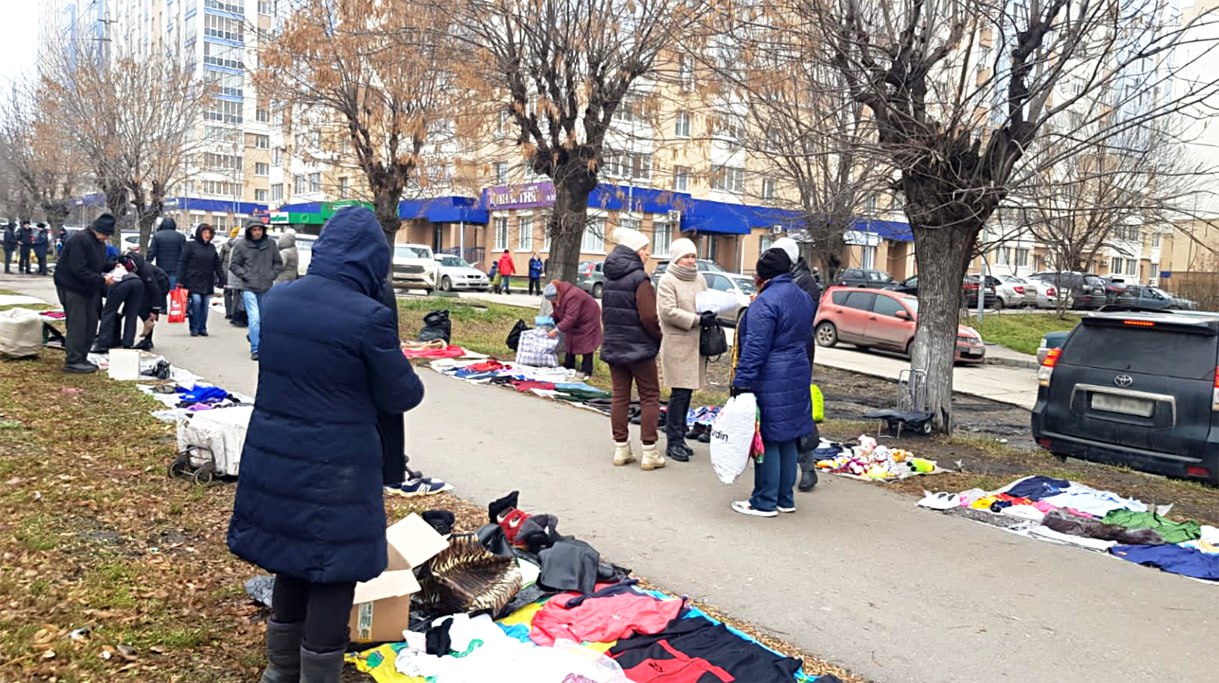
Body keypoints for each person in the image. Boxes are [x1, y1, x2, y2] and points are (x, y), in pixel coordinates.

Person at [227, 206, 425, 683]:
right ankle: (319, 675)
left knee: (291, 562)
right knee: (334, 573)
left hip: (275, 454)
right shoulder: (368, 317)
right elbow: (404, 394)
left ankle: (280, 671)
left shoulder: (278, 301)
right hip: (337, 467)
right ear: (370, 260)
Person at [729, 246, 816, 517]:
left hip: (770, 376)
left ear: (761, 275)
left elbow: (755, 348)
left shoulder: (765, 303)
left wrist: (741, 382)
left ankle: (764, 501)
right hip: (797, 370)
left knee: (766, 438)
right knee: (788, 437)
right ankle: (784, 498)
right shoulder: (802, 297)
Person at [600, 227, 664, 471]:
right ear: (635, 252)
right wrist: (657, 338)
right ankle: (650, 452)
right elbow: (649, 316)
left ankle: (621, 449)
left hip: (614, 344)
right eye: (645, 249)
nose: (648, 254)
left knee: (620, 396)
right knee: (649, 396)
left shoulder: (608, 277)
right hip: (639, 347)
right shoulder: (640, 278)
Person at [656, 238, 710, 463]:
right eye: (686, 257)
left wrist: (710, 313)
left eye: (693, 256)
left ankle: (680, 437)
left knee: (687, 393)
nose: (690, 261)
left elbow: (707, 301)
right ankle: (673, 441)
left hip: (696, 344)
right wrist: (697, 320)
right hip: (677, 343)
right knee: (679, 393)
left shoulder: (700, 279)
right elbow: (667, 311)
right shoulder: (667, 280)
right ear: (676, 258)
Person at [775, 236, 823, 492]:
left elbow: (798, 319)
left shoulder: (806, 283)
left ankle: (807, 468)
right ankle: (786, 466)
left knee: (798, 410)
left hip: (797, 354)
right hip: (780, 353)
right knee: (781, 409)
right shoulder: (780, 279)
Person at [53, 214, 116, 373]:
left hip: (89, 288)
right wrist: (102, 280)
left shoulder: (98, 243)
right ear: (98, 230)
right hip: (72, 287)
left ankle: (82, 356)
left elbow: (98, 265)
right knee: (78, 324)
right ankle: (73, 360)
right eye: (106, 234)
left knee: (91, 323)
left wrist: (115, 265)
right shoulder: (80, 240)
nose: (106, 238)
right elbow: (78, 269)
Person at [229, 221, 283, 360]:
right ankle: (255, 349)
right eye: (254, 230)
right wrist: (245, 275)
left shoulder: (270, 244)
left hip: (266, 287)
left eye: (259, 229)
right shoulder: (241, 245)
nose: (257, 232)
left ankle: (255, 336)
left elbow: (278, 263)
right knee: (254, 319)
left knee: (265, 320)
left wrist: (272, 275)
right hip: (249, 287)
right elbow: (234, 265)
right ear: (249, 231)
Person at [543, 280, 602, 379]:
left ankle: (586, 370)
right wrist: (550, 319)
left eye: (553, 299)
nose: (553, 302)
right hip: (575, 318)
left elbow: (570, 318)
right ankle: (569, 365)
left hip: (588, 317)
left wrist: (557, 330)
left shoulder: (572, 296)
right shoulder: (558, 297)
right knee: (569, 338)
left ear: (558, 293)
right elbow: (559, 312)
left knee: (586, 342)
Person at [177, 223, 225, 337]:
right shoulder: (190, 245)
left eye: (209, 233)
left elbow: (217, 264)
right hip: (192, 279)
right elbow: (182, 262)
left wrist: (222, 278)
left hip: (207, 280)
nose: (207, 235)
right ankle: (194, 327)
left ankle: (202, 327)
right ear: (199, 233)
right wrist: (179, 279)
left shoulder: (212, 247)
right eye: (205, 233)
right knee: (196, 302)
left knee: (205, 304)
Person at [146, 216, 186, 289]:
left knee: (162, 291)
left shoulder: (157, 236)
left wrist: (147, 262)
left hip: (161, 268)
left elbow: (151, 252)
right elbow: (184, 254)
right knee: (173, 292)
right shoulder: (181, 236)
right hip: (176, 268)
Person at [220, 226, 242, 322]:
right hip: (237, 272)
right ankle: (234, 312)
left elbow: (220, 259)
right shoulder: (242, 246)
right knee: (237, 293)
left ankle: (228, 312)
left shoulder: (225, 245)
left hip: (225, 272)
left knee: (227, 293)